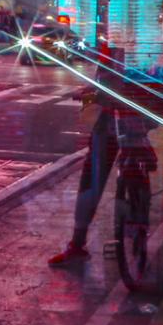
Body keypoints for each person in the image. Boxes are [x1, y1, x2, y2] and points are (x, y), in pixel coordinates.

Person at [49, 57, 127, 267]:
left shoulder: (114, 49)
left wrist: (88, 95)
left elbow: (103, 87)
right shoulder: (146, 47)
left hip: (113, 120)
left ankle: (77, 243)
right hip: (139, 116)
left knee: (92, 178)